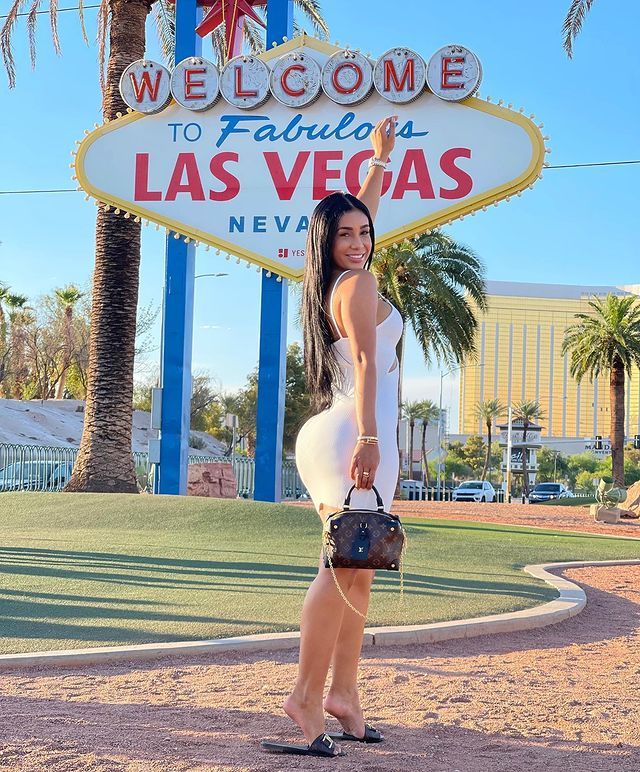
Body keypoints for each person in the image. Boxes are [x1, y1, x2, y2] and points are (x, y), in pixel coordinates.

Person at [284, 116, 401, 757]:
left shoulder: (344, 275)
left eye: (364, 232)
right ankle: (304, 697)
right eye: (344, 235)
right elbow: (363, 362)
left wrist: (378, 162)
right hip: (351, 436)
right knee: (340, 568)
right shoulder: (358, 284)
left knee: (360, 570)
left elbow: (361, 213)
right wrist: (370, 438)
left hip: (349, 431)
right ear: (325, 243)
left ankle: (345, 695)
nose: (358, 242)